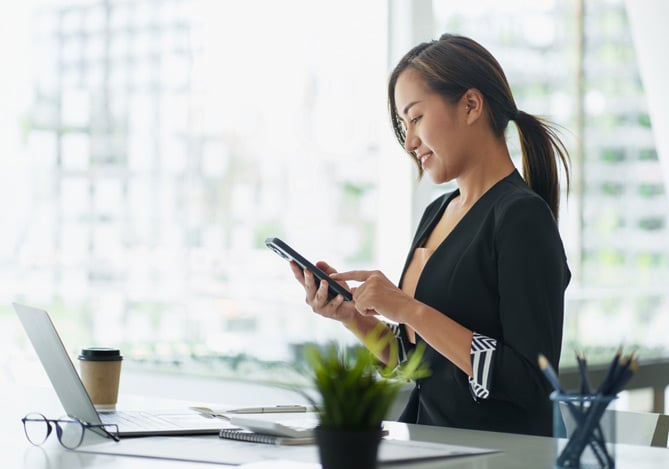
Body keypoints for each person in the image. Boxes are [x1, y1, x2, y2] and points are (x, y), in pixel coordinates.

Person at [289, 33, 571, 437]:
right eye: (404, 125)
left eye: (416, 118)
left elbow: (530, 381)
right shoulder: (437, 212)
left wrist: (407, 308)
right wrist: (352, 315)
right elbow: (421, 366)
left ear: (471, 105)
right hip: (428, 447)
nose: (409, 141)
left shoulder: (521, 217)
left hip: (493, 459)